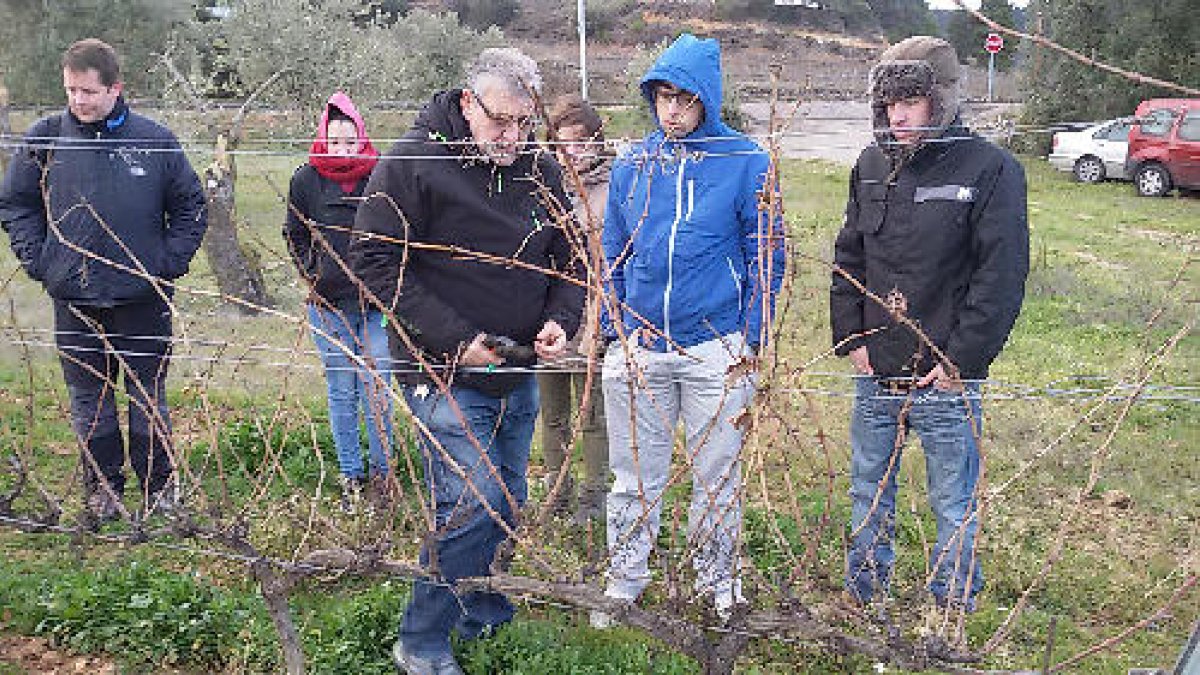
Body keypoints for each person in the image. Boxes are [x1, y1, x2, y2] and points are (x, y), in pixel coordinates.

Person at [350, 48, 584, 674]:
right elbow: (373, 260)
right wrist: (454, 340)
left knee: (506, 497)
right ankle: (421, 641)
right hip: (443, 369)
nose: (512, 137)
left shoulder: (537, 166)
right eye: (500, 122)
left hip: (518, 367)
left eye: (524, 123)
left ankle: (482, 610)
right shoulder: (415, 163)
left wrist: (562, 320)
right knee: (472, 502)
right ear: (465, 104)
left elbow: (570, 256)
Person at [829, 36, 1029, 613]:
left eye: (912, 99)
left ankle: (951, 604)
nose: (899, 113)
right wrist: (852, 339)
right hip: (876, 371)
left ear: (940, 100)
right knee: (868, 488)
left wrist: (960, 361)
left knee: (952, 497)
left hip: (946, 378)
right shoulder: (869, 164)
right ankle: (864, 594)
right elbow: (849, 257)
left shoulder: (991, 169)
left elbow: (1001, 276)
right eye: (890, 101)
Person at [596, 33, 786, 626]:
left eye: (684, 97)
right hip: (642, 347)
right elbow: (614, 251)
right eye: (662, 97)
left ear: (708, 98)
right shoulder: (633, 165)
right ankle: (625, 578)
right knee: (632, 477)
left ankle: (719, 582)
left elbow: (766, 253)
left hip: (715, 346)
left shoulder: (746, 162)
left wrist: (751, 336)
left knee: (718, 476)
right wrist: (614, 328)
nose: (671, 110)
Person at [0, 38, 207, 526]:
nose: (79, 101)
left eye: (89, 91)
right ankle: (103, 492)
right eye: (71, 90)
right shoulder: (45, 140)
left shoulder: (154, 141)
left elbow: (191, 207)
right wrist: (41, 260)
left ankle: (159, 490)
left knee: (145, 396)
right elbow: (16, 204)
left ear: (116, 88)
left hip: (142, 298)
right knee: (89, 402)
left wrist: (164, 264)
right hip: (73, 298)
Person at [283, 91, 393, 510]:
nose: (342, 149)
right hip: (328, 306)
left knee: (378, 390)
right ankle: (352, 477)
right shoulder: (305, 179)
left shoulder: (380, 175)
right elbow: (294, 234)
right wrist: (312, 273)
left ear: (361, 137)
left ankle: (385, 480)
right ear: (324, 139)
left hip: (375, 307)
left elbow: (397, 231)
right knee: (342, 392)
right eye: (335, 141)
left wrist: (387, 282)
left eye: (350, 140)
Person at [537, 94, 611, 525]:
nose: (573, 153)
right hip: (549, 317)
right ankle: (556, 494)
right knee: (553, 414)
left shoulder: (616, 186)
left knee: (594, 416)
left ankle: (593, 498)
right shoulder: (543, 187)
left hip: (599, 314)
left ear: (597, 142)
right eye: (563, 144)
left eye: (581, 142)